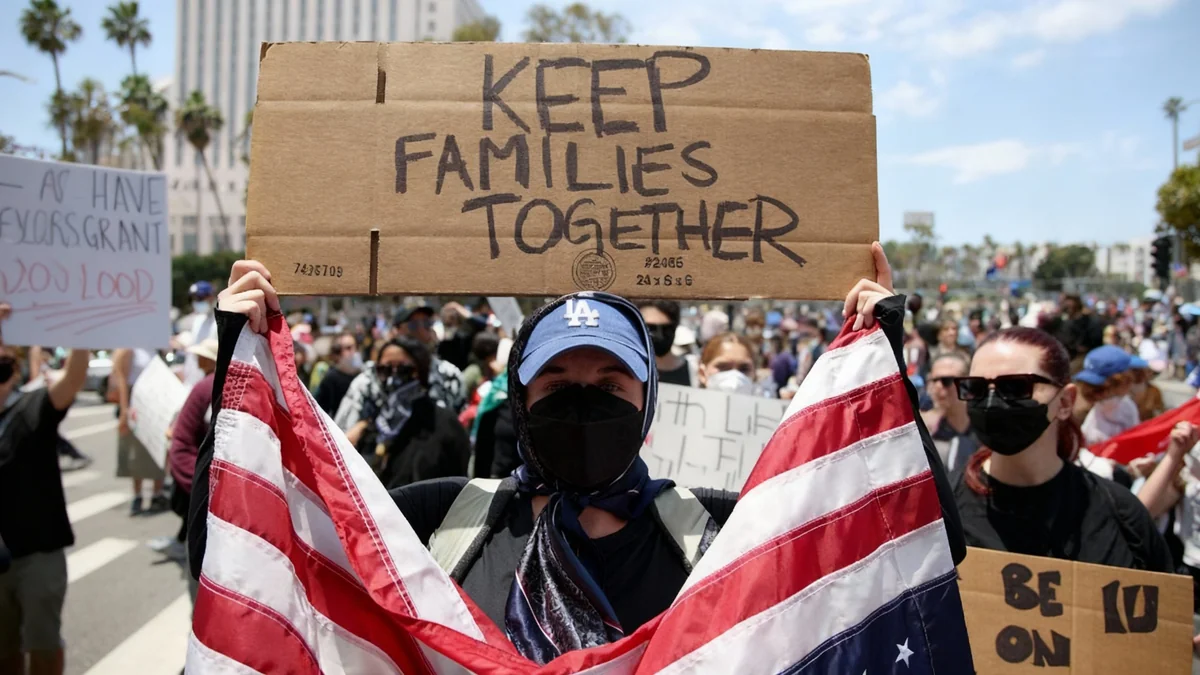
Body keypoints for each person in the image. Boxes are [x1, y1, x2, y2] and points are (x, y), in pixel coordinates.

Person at [189, 246, 966, 663]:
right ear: (520, 401)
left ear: (648, 399)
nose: (583, 396)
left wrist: (883, 360)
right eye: (557, 380)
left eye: (609, 380)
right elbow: (240, 548)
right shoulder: (439, 517)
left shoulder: (716, 532)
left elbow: (917, 537)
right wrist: (238, 354)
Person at [951, 326, 1173, 572]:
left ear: (1065, 401)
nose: (991, 403)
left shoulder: (1121, 515)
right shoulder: (940, 513)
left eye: (1015, 387)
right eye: (976, 389)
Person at [0, 302, 90, 675]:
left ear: (17, 370)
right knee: (4, 649)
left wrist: (77, 335)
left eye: (4, 364)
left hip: (38, 553)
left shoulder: (35, 406)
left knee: (43, 645)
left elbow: (73, 377)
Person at [350, 337, 470, 489]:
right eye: (385, 370)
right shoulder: (371, 426)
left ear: (421, 373)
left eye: (404, 371)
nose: (393, 380)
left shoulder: (444, 424)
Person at [333, 306, 466, 433]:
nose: (421, 331)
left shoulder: (449, 375)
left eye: (426, 323)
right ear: (396, 331)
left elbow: (461, 427)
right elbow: (343, 435)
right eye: (413, 325)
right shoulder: (369, 379)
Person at [150, 340, 218, 585]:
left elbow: (182, 440)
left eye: (203, 356)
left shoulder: (209, 386)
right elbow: (183, 440)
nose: (198, 360)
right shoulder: (205, 387)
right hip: (208, 493)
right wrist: (204, 489)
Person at [111, 347, 167, 516]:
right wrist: (124, 410)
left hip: (155, 403)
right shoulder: (129, 349)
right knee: (136, 452)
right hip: (137, 405)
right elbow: (122, 380)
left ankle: (157, 494)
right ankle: (138, 495)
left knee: (157, 448)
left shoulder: (155, 348)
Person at [921, 352, 979, 473]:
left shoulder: (985, 430)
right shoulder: (924, 432)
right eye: (934, 380)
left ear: (966, 384)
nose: (937, 386)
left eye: (946, 381)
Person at [637, 300, 692, 386]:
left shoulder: (693, 371)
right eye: (650, 328)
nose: (659, 336)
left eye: (666, 329)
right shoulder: (625, 370)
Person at [313, 332, 362, 416]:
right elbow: (320, 411)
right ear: (337, 353)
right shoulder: (330, 378)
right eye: (348, 348)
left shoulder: (362, 376)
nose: (353, 351)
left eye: (355, 347)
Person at [180, 281, 218, 387]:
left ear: (211, 297)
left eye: (199, 298)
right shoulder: (198, 320)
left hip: (209, 378)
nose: (196, 302)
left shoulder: (219, 321)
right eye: (194, 299)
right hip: (192, 377)